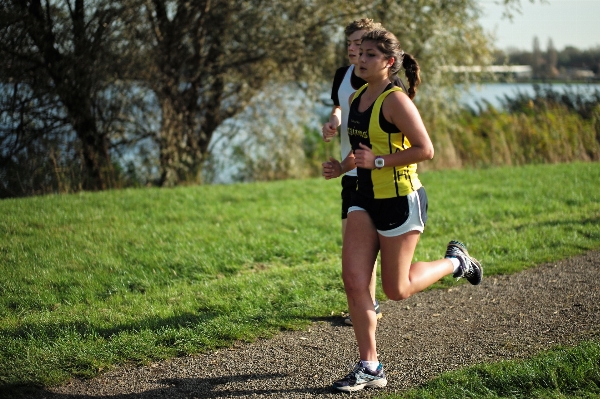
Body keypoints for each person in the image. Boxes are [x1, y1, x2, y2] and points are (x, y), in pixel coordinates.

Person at [322, 29, 483, 392]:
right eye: (359, 53)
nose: (360, 60)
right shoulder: (360, 96)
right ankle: (370, 365)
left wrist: (378, 160)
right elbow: (361, 148)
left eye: (370, 56)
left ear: (389, 62)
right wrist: (343, 167)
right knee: (354, 280)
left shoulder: (396, 101)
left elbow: (425, 149)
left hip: (400, 200)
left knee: (397, 289)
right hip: (364, 197)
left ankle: (457, 262)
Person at [322, 18, 406, 326]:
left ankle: (370, 302)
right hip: (352, 172)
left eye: (360, 44)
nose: (354, 50)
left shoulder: (387, 83)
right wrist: (334, 121)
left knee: (392, 274)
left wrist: (381, 160)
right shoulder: (344, 76)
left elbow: (403, 129)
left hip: (382, 176)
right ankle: (367, 303)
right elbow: (341, 106)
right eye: (350, 44)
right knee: (353, 244)